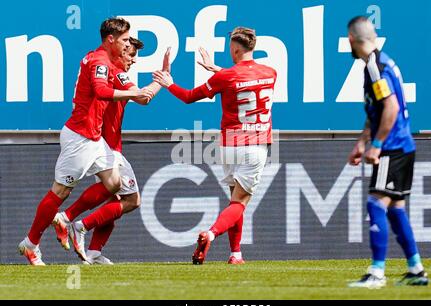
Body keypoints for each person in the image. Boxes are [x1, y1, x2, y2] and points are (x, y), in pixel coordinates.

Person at [18, 17, 152, 265]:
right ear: (110, 39)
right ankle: (31, 243)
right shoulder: (100, 61)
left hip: (93, 138)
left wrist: (144, 88)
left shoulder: (103, 60)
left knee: (114, 183)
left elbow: (130, 92)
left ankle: (67, 220)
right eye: (123, 40)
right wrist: (134, 92)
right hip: (80, 136)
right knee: (60, 191)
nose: (127, 46)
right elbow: (101, 91)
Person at [153, 27, 277, 265]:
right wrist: (219, 70)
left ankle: (236, 254)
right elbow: (246, 81)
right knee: (240, 203)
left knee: (234, 200)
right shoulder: (271, 72)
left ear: (235, 48)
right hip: (256, 145)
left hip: (229, 146)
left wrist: (169, 83)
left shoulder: (226, 77)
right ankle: (210, 234)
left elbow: (189, 96)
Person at [52, 38, 169, 264]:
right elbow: (143, 98)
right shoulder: (115, 71)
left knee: (115, 195)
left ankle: (94, 251)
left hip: (104, 143)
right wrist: (163, 80)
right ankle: (75, 223)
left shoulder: (105, 68)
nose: (134, 61)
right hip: (105, 147)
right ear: (120, 50)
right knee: (132, 200)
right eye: (131, 54)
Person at [346, 16, 428, 288]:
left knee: (375, 203)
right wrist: (361, 142)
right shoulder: (384, 62)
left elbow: (390, 108)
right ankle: (416, 269)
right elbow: (377, 110)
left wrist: (377, 145)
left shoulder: (374, 66)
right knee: (395, 209)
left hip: (392, 146)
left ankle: (377, 273)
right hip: (405, 145)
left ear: (353, 40)